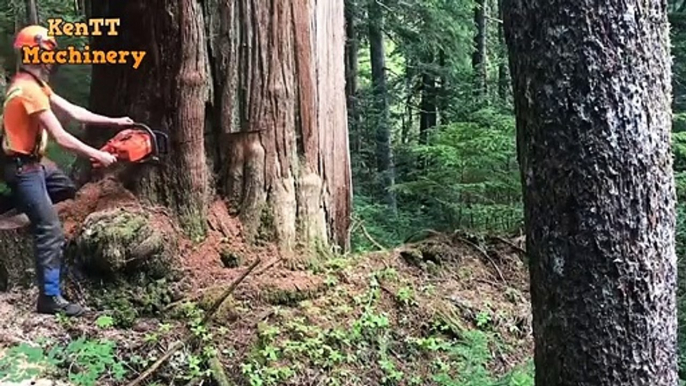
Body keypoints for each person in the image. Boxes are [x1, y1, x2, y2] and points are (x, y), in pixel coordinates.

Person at [1, 25, 133, 317]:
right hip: (22, 168)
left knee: (65, 188)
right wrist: (95, 154)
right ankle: (49, 298)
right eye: (43, 53)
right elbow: (61, 136)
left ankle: (23, 205)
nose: (48, 59)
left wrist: (114, 121)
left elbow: (74, 111)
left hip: (36, 164)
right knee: (49, 229)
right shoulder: (27, 90)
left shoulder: (36, 84)